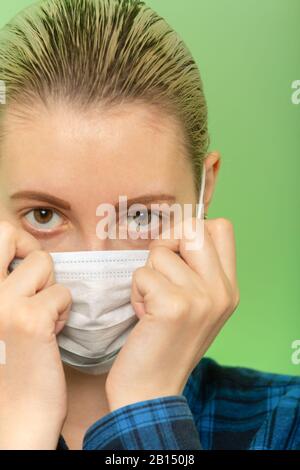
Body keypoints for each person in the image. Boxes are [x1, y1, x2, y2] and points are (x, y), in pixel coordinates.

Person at [0, 0, 299, 450]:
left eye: (140, 216)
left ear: (204, 192)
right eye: (45, 215)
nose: (96, 262)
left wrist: (146, 404)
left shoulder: (287, 424)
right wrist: (21, 431)